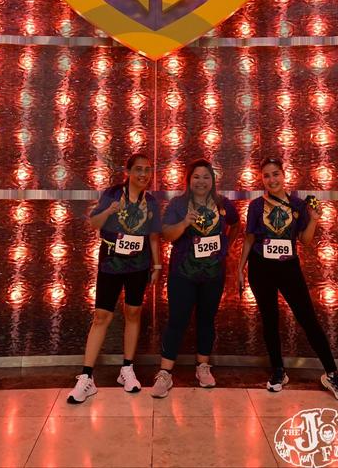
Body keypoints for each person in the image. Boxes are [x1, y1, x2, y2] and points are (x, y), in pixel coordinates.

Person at [238, 156, 338, 403]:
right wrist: (240, 268)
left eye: (276, 174)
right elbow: (249, 239)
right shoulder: (256, 206)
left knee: (308, 319)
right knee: (269, 320)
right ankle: (278, 370)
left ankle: (332, 374)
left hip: (288, 268)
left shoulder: (298, 205)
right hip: (260, 268)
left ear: (284, 175)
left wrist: (314, 219)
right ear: (262, 180)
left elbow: (305, 240)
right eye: (267, 175)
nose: (272, 179)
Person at [67, 153, 161, 403]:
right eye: (138, 169)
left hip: (139, 264)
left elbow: (153, 236)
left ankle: (127, 369)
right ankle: (86, 377)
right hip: (111, 261)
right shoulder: (112, 194)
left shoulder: (151, 202)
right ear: (128, 172)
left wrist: (158, 265)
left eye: (147, 170)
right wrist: (109, 210)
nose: (143, 174)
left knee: (133, 312)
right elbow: (93, 223)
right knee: (102, 316)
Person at [151, 159, 240, 398]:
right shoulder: (178, 204)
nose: (201, 181)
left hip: (213, 274)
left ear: (213, 180)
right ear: (189, 180)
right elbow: (166, 234)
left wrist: (226, 248)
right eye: (197, 177)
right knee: (177, 320)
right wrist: (184, 223)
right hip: (183, 273)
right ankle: (165, 372)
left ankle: (203, 366)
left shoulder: (222, 204)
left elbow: (235, 224)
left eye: (206, 177)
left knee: (206, 320)